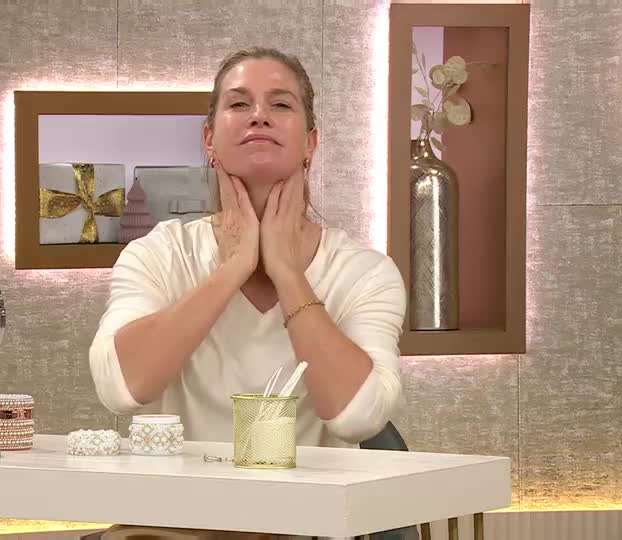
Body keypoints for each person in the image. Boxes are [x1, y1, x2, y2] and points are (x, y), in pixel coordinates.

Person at [89, 47, 406, 450]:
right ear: (209, 138)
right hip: (176, 510)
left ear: (311, 142)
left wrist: (287, 273)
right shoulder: (158, 254)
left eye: (280, 104)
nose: (259, 115)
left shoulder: (365, 272)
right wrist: (234, 268)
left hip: (308, 509)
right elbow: (121, 389)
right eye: (239, 103)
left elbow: (358, 417)